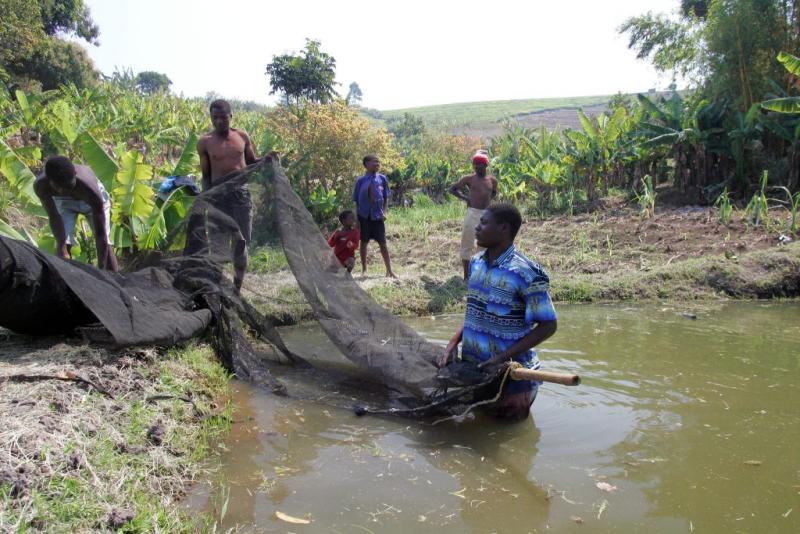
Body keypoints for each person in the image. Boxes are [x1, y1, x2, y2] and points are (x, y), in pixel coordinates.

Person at [437, 203, 557, 420]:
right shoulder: (476, 264)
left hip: (511, 380)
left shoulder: (526, 273)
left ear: (503, 228)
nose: (477, 228)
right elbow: (476, 313)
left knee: (508, 444)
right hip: (476, 371)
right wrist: (453, 342)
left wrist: (501, 358)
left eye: (484, 223)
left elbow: (549, 325)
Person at [197, 99, 275, 292]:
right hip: (218, 199)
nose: (219, 121)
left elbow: (252, 162)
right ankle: (217, 289)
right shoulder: (205, 142)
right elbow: (206, 176)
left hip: (241, 197)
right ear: (211, 118)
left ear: (231, 116)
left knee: (241, 244)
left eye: (223, 117)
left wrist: (267, 159)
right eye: (215, 117)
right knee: (218, 247)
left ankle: (236, 290)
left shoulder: (241, 136)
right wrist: (208, 198)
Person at [33, 156, 118, 271]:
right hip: (64, 203)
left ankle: (114, 280)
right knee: (62, 246)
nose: (64, 191)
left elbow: (100, 234)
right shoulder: (41, 186)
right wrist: (61, 245)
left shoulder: (90, 189)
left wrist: (101, 269)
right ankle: (65, 280)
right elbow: (54, 217)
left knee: (106, 246)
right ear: (50, 181)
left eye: (68, 186)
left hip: (89, 202)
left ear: (75, 174)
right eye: (58, 188)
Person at [449, 151, 498, 280]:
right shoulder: (469, 179)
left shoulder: (492, 180)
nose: (477, 168)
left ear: (485, 166)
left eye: (479, 165)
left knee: (484, 245)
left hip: (486, 216)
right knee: (467, 243)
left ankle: (479, 276)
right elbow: (453, 189)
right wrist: (466, 199)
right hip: (472, 213)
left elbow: (494, 192)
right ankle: (466, 277)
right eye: (475, 166)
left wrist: (488, 202)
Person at [352, 155, 396, 278]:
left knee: (382, 242)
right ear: (366, 164)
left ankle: (389, 270)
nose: (377, 163)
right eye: (374, 162)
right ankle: (364, 269)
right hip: (364, 216)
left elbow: (386, 197)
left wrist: (385, 212)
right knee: (364, 242)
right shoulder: (360, 181)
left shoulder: (382, 179)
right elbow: (356, 200)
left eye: (378, 162)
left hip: (378, 216)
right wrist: (357, 219)